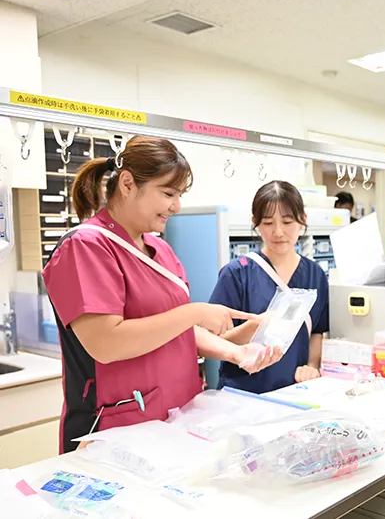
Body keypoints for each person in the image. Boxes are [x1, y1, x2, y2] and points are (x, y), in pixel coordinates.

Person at [42, 136, 282, 454]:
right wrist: (194, 312)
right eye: (168, 193)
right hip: (115, 426)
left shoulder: (161, 250)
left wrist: (233, 353)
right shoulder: (86, 246)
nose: (177, 206)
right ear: (127, 184)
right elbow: (106, 343)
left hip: (178, 416)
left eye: (179, 195)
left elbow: (176, 330)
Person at [210, 180, 329, 393]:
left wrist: (311, 366)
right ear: (255, 222)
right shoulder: (237, 274)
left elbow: (317, 331)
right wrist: (256, 327)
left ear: (302, 220)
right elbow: (212, 342)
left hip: (295, 391)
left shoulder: (315, 275)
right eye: (267, 223)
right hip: (243, 394)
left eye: (287, 221)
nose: (278, 232)